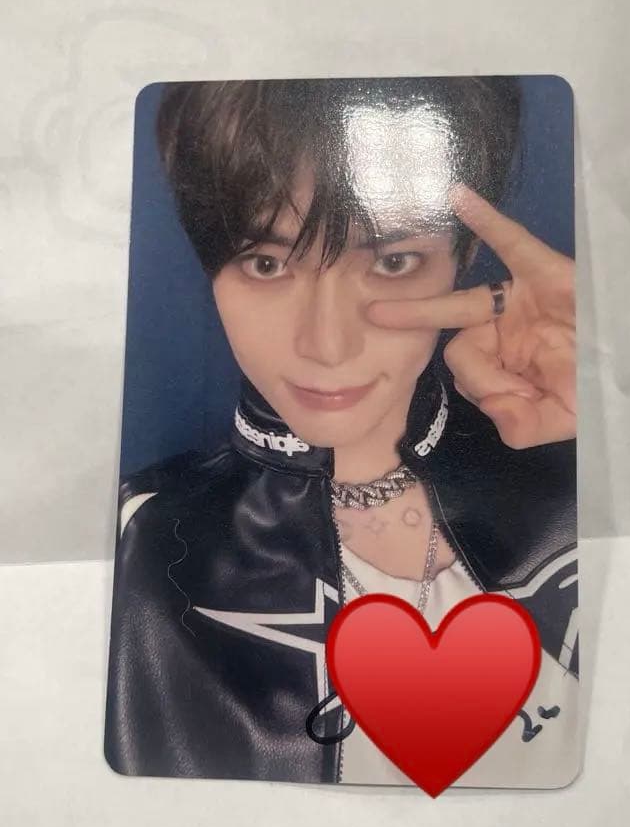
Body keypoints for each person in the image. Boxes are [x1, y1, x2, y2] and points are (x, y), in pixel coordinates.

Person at [105, 77, 578, 787]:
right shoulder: (134, 541)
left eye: (392, 261)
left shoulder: (587, 485)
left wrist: (623, 403)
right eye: (267, 263)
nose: (326, 344)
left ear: (465, 259)